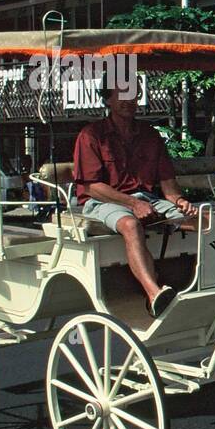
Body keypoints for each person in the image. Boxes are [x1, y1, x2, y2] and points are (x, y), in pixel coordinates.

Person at [72, 79, 196, 317]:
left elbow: (168, 185)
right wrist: (133, 203)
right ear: (108, 99)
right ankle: (154, 294)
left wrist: (180, 202)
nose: (129, 100)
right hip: (103, 202)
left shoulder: (150, 134)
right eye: (122, 94)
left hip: (146, 198)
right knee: (130, 224)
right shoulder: (91, 135)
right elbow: (91, 187)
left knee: (204, 220)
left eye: (134, 94)